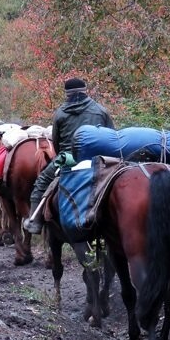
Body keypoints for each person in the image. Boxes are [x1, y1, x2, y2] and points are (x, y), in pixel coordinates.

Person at [23, 77, 114, 234]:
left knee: (42, 181)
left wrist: (64, 156)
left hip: (69, 158)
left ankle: (35, 221)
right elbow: (112, 137)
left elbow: (57, 143)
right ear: (85, 91)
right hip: (97, 157)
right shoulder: (101, 110)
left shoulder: (60, 114)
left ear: (67, 94)